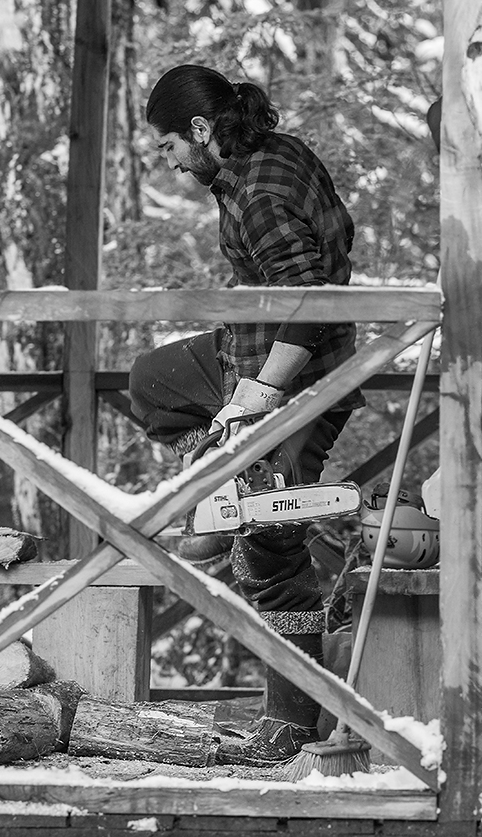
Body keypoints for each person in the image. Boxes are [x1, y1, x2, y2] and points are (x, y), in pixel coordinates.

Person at [129, 64, 364, 766]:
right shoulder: (262, 157)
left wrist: (262, 393)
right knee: (154, 381)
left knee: (270, 545)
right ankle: (223, 479)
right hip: (245, 351)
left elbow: (310, 297)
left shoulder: (259, 190)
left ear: (201, 130)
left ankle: (293, 720)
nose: (170, 163)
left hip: (301, 377)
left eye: (170, 146)